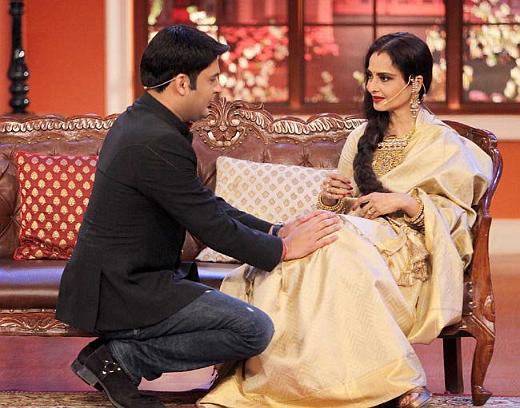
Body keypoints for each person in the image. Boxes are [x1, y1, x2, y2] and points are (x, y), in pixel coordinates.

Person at [199, 32, 493, 408]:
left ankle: (380, 381)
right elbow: (346, 211)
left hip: (406, 253)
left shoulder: (442, 143)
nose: (372, 87)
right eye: (369, 76)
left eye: (384, 78)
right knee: (318, 242)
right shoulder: (360, 137)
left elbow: (457, 221)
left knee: (328, 242)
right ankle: (305, 382)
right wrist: (331, 199)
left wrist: (405, 202)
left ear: (416, 82)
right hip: (355, 237)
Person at [55, 25, 341, 408]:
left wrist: (275, 230)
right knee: (253, 329)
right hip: (123, 289)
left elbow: (207, 204)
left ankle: (116, 357)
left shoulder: (144, 122)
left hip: (134, 278)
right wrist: (284, 250)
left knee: (246, 316)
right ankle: (121, 358)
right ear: (181, 84)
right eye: (211, 79)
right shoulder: (154, 140)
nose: (218, 89)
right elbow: (212, 227)